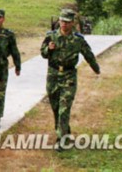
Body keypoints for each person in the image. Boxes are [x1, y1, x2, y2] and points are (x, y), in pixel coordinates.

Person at [40, 8, 101, 151]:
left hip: (69, 76)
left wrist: (96, 69)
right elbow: (42, 53)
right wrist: (48, 49)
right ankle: (65, 131)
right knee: (55, 107)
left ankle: (61, 139)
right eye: (62, 21)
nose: (64, 24)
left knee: (64, 108)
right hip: (53, 75)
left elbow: (88, 54)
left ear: (72, 23)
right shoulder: (51, 36)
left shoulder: (78, 40)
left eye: (67, 22)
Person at [0, 8, 21, 129]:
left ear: (3, 19)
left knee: (0, 94)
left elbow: (14, 51)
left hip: (1, 68)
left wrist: (18, 66)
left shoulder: (8, 35)